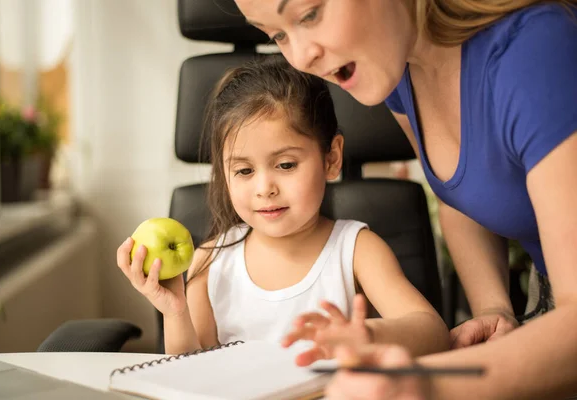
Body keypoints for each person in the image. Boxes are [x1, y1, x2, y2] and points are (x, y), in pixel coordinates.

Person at [233, 0, 577, 398]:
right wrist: (493, 309)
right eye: (276, 35)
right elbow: (457, 197)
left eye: (309, 14)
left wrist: (422, 385)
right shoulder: (400, 71)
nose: (300, 57)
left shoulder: (537, 49)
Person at [116, 56, 449, 363]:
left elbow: (433, 332)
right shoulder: (211, 259)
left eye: (286, 165)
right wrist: (176, 312)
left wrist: (368, 335)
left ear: (331, 158)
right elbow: (190, 374)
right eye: (244, 171)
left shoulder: (356, 250)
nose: (265, 188)